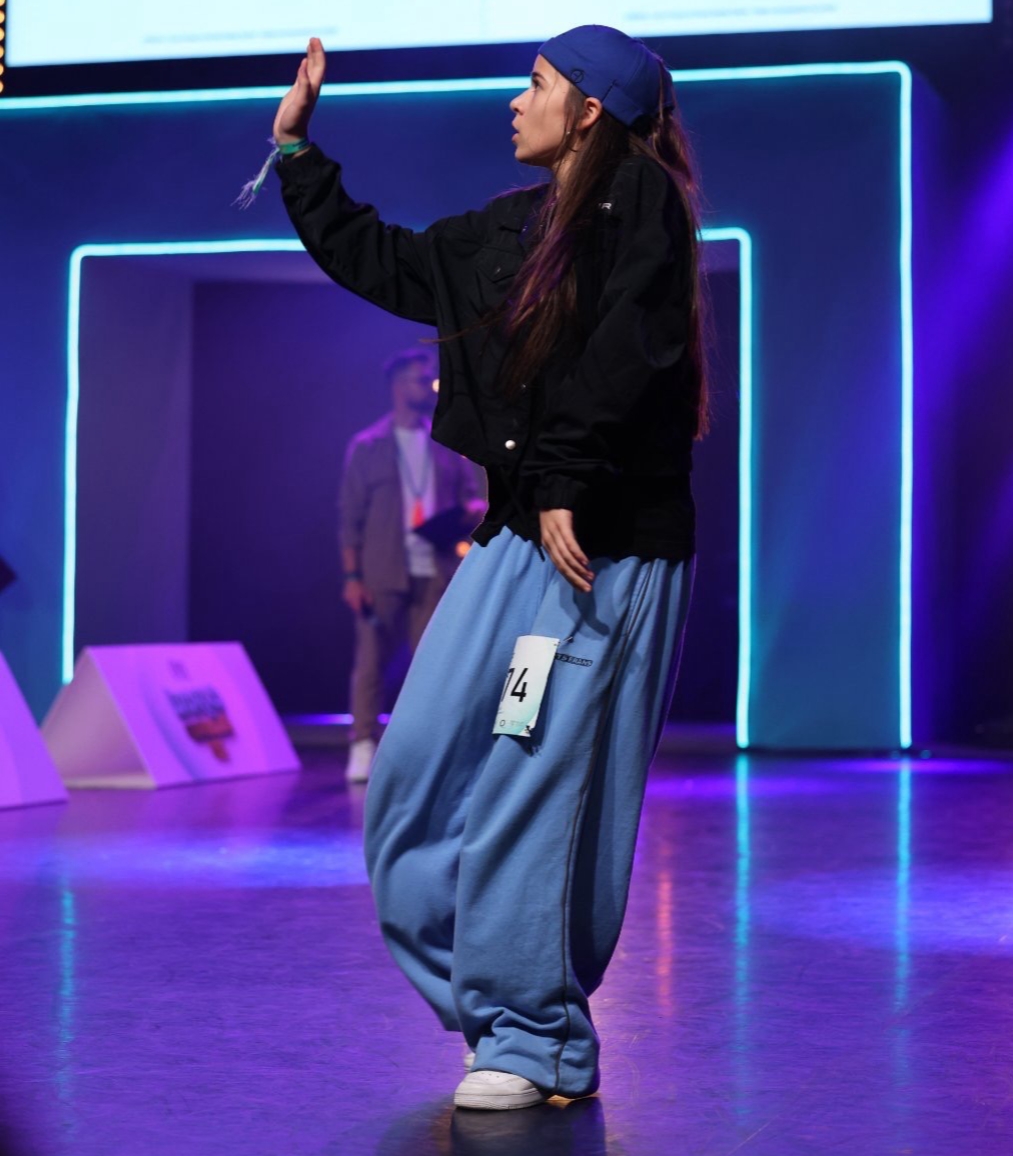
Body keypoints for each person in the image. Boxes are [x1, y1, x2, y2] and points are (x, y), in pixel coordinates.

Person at [273, 25, 708, 1110]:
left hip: (595, 552)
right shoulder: (515, 226)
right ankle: (500, 1008)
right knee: (412, 773)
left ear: (590, 110)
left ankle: (534, 1035)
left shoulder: (638, 201)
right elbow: (387, 260)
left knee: (529, 785)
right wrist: (296, 152)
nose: (516, 101)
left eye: (537, 83)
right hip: (520, 541)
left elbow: (628, 348)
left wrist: (563, 476)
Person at [339, 348, 484, 783]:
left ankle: (427, 751)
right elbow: (349, 518)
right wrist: (352, 577)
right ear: (398, 385)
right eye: (422, 380)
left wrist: (469, 511)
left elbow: (473, 498)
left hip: (436, 569)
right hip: (382, 570)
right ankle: (363, 743)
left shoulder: (444, 442)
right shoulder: (368, 445)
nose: (430, 387)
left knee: (434, 665)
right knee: (371, 660)